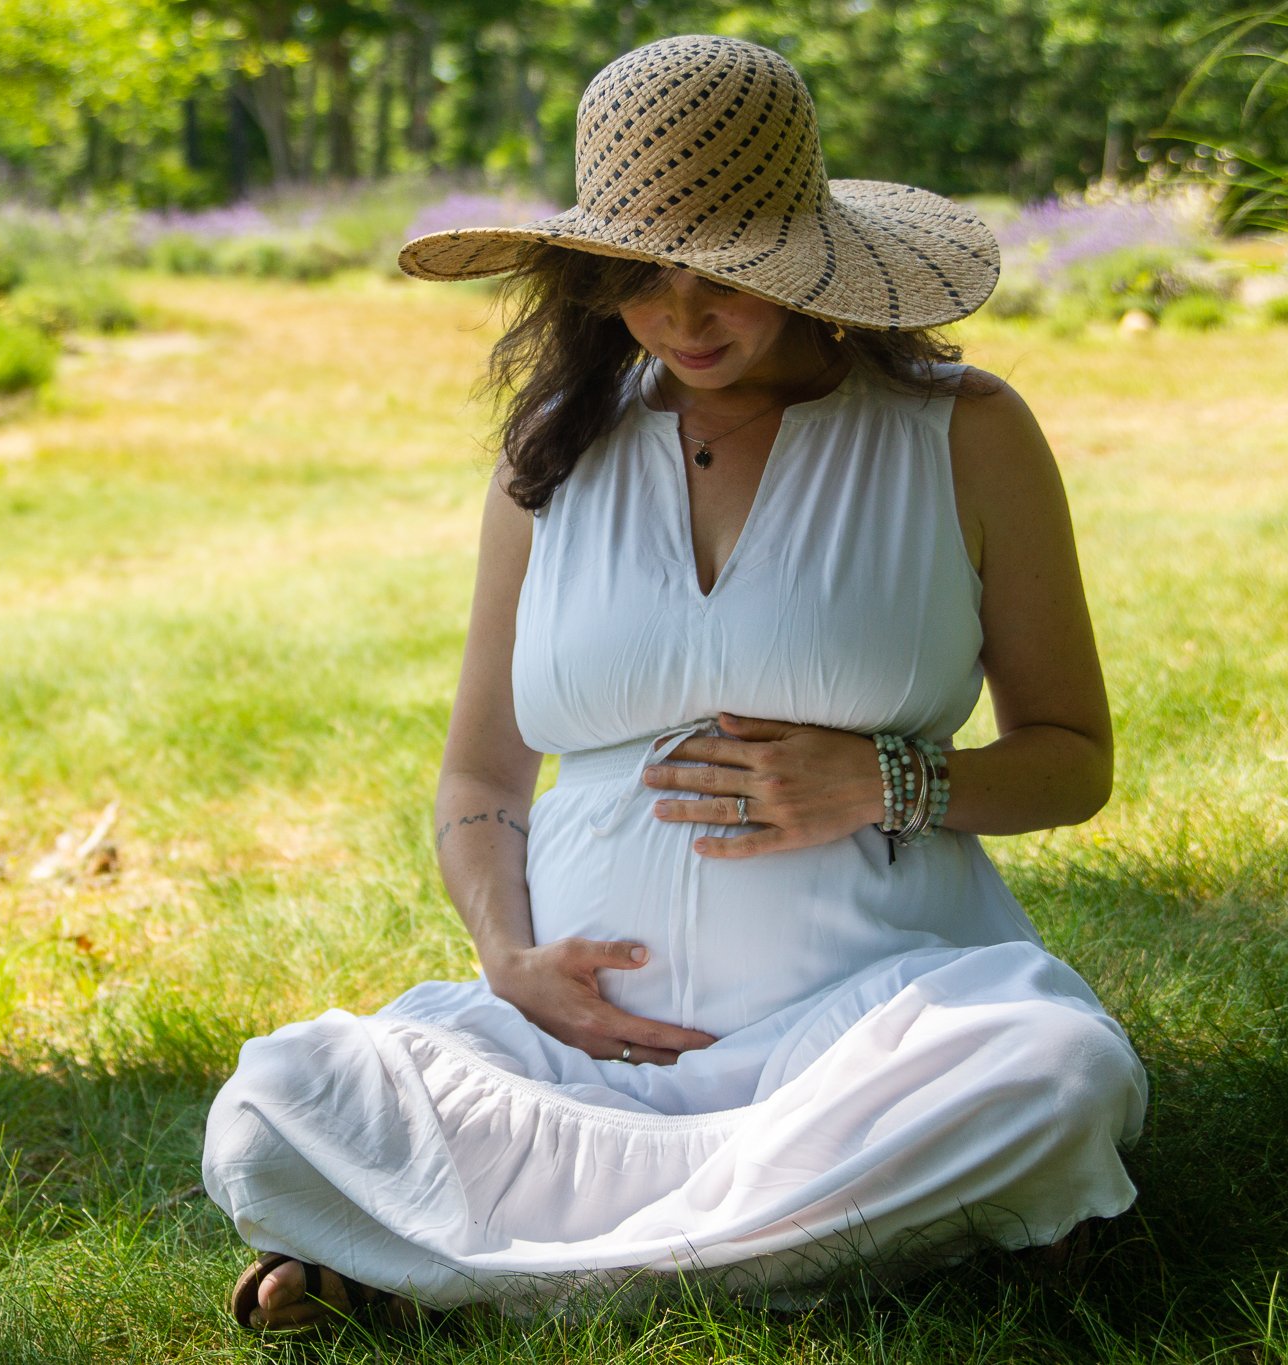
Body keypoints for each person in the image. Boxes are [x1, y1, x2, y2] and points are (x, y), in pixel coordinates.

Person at [203, 34, 1147, 1331]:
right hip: (575, 1053)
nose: (683, 318)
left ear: (808, 260)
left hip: (871, 1039)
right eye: (641, 279)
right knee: (280, 1097)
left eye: (727, 279)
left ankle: (465, 1270)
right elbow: (481, 774)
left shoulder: (963, 431)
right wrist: (509, 958)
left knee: (1056, 1069)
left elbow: (1073, 755)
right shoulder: (554, 454)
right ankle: (847, 1241)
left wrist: (882, 777)